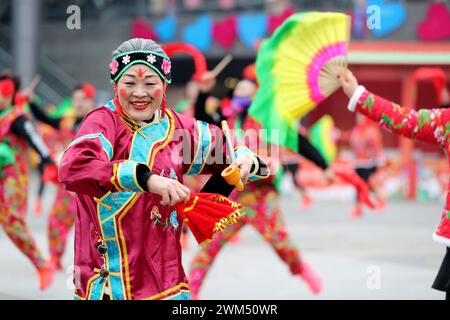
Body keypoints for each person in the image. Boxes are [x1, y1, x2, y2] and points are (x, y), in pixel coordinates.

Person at [58, 38, 268, 300]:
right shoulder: (102, 122)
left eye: (150, 83)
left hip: (167, 283)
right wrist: (146, 179)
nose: (139, 93)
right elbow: (74, 167)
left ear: (164, 84)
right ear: (115, 85)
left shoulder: (178, 127)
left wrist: (246, 158)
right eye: (129, 83)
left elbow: (229, 149)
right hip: (109, 283)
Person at [188, 68, 329, 299]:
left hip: (262, 196)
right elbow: (202, 119)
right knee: (208, 246)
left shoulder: (270, 123)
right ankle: (191, 292)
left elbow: (300, 142)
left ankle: (301, 270)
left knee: (281, 242)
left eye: (247, 91)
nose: (241, 94)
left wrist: (325, 166)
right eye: (239, 91)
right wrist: (203, 94)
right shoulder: (226, 121)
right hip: (231, 196)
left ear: (257, 97)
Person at [339, 69, 450, 300]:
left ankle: (373, 201)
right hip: (361, 162)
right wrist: (358, 96)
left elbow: (403, 121)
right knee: (360, 186)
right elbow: (404, 120)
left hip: (368, 162)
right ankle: (366, 204)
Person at [24, 83, 97, 270]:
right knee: (56, 222)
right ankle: (55, 258)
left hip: (90, 186)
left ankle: (95, 264)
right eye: (76, 99)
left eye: (84, 100)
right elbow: (46, 118)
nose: (79, 104)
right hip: (68, 187)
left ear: (91, 101)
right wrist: (31, 102)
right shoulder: (67, 121)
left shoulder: (97, 122)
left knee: (92, 228)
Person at [0, 73, 55, 290]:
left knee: (13, 223)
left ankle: (43, 265)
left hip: (13, 179)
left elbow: (35, 139)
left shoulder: (16, 118)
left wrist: (49, 161)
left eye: (4, 92)